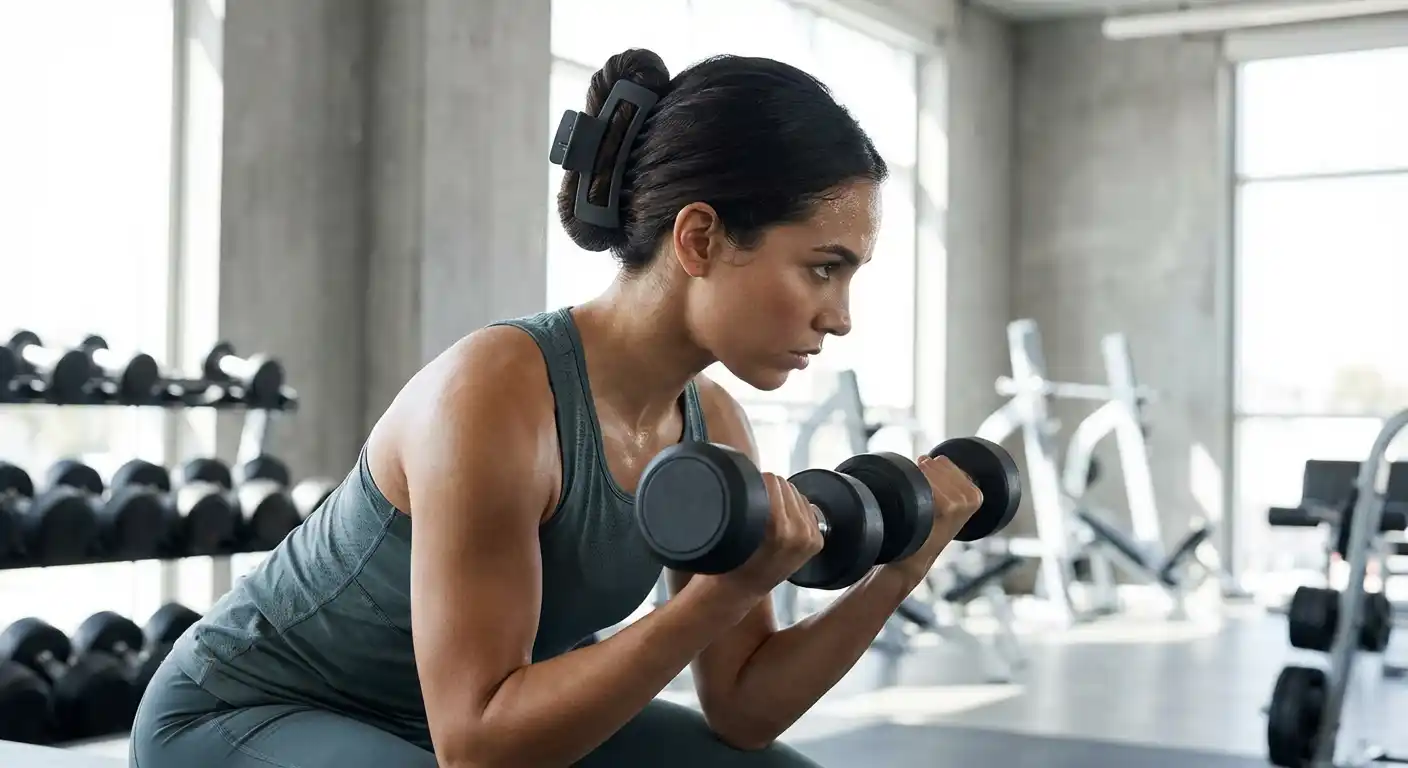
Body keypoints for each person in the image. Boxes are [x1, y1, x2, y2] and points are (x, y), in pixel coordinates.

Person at [129, 48, 983, 768]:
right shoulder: (495, 393)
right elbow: (477, 745)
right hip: (249, 716)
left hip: (442, 725)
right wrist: (720, 596)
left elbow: (744, 710)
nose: (839, 318)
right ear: (699, 239)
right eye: (822, 268)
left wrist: (900, 568)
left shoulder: (712, 421)